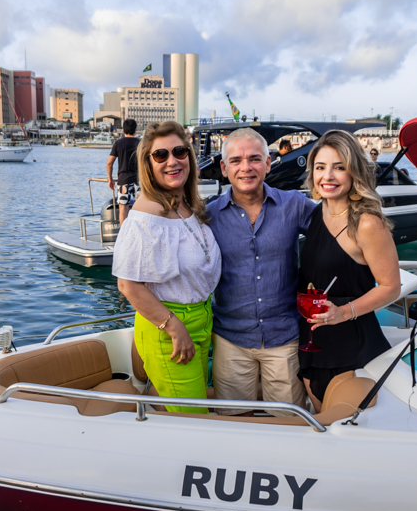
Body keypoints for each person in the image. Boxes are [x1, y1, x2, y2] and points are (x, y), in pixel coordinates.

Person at [207, 128, 317, 416]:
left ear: (268, 163)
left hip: (285, 338)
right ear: (224, 167)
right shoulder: (207, 216)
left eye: (255, 159)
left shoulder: (294, 205)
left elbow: (337, 229)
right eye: (236, 160)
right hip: (230, 339)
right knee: (233, 421)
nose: (246, 167)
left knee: (288, 421)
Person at [113, 121, 221, 413]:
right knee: (192, 419)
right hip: (169, 327)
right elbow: (128, 285)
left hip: (202, 319)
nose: (172, 161)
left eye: (179, 151)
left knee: (181, 411)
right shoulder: (145, 217)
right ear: (148, 164)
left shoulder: (186, 205)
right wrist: (174, 328)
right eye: (160, 155)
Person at [298, 130, 402, 411]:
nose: (327, 176)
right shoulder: (316, 213)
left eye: (339, 167)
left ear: (354, 172)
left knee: (339, 431)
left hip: (351, 347)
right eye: (321, 167)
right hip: (314, 342)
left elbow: (391, 286)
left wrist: (343, 312)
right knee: (319, 423)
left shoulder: (367, 224)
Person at [107, 119, 139, 225]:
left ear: (123, 130)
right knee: (141, 208)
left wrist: (110, 179)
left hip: (123, 180)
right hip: (139, 180)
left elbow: (109, 163)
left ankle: (123, 236)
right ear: (135, 130)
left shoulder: (118, 143)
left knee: (123, 209)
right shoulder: (140, 143)